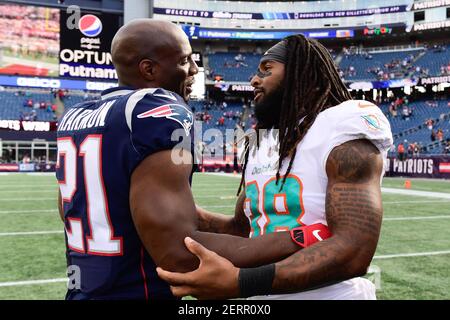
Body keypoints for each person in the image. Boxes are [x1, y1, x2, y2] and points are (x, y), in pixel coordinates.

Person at [56, 20, 328, 300]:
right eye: (186, 61)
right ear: (149, 69)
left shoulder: (77, 115)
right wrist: (300, 237)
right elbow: (179, 255)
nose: (195, 70)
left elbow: (74, 207)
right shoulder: (157, 110)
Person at [157, 35, 393, 300]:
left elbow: (354, 250)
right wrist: (176, 209)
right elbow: (241, 229)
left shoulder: (342, 127)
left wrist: (241, 282)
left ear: (303, 77)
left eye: (267, 70)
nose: (254, 80)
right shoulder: (264, 141)